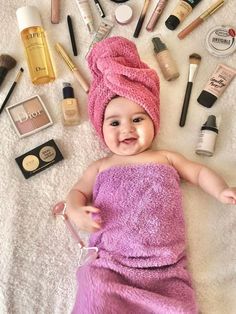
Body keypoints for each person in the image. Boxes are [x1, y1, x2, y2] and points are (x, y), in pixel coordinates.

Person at [65, 36, 236, 314]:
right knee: (95, 288)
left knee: (177, 307)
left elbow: (198, 172)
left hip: (165, 268)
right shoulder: (100, 166)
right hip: (113, 264)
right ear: (101, 128)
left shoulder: (165, 158)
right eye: (115, 122)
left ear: (153, 120)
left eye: (137, 119)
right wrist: (75, 210)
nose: (127, 129)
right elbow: (77, 191)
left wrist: (220, 189)